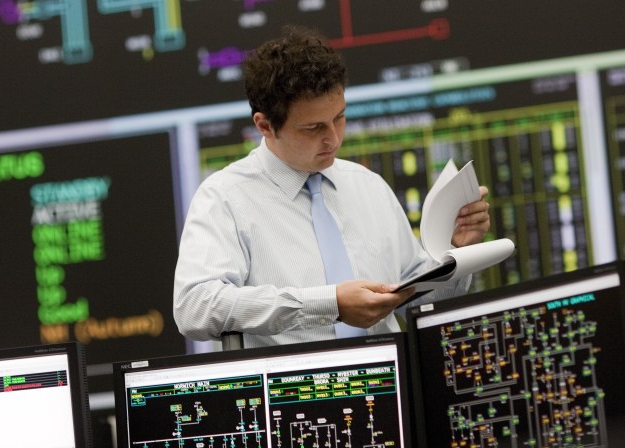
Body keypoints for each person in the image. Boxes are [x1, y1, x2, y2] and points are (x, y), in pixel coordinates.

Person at [173, 26, 491, 347]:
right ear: (265, 125)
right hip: (297, 390)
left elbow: (417, 301)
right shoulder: (224, 197)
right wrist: (330, 304)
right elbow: (193, 306)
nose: (334, 139)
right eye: (313, 127)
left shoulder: (368, 186)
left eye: (339, 117)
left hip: (391, 380)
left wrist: (456, 253)